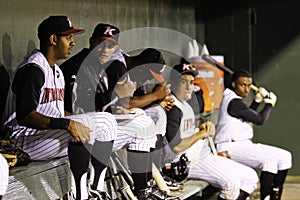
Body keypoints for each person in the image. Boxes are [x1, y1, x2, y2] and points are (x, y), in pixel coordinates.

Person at [1, 16, 119, 200]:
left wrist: (75, 120)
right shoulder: (33, 69)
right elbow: (26, 116)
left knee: (104, 121)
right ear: (53, 39)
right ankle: (83, 195)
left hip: (41, 136)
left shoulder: (56, 71)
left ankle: (96, 189)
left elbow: (55, 112)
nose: (73, 42)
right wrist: (68, 124)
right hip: (21, 140)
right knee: (99, 122)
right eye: (68, 37)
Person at [60, 24, 177, 200]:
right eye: (100, 42)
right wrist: (116, 99)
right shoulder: (78, 67)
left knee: (143, 123)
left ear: (116, 48)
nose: (104, 49)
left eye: (110, 45)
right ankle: (94, 190)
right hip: (68, 133)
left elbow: (103, 106)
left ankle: (143, 190)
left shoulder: (104, 67)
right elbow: (80, 111)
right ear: (91, 42)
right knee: (108, 122)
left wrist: (119, 105)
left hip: (95, 131)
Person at [164, 64, 258, 200]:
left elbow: (188, 133)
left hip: (199, 155)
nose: (189, 86)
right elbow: (177, 146)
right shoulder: (172, 107)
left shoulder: (185, 104)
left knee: (250, 177)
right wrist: (201, 134)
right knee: (231, 183)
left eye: (191, 82)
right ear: (173, 83)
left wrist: (203, 128)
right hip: (182, 162)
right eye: (183, 82)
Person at [215, 69, 292, 200]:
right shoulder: (233, 101)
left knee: (285, 157)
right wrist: (269, 104)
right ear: (234, 84)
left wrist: (256, 101)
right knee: (269, 160)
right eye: (242, 85)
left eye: (249, 85)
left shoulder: (236, 100)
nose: (246, 89)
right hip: (228, 146)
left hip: (241, 144)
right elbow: (259, 120)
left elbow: (247, 115)